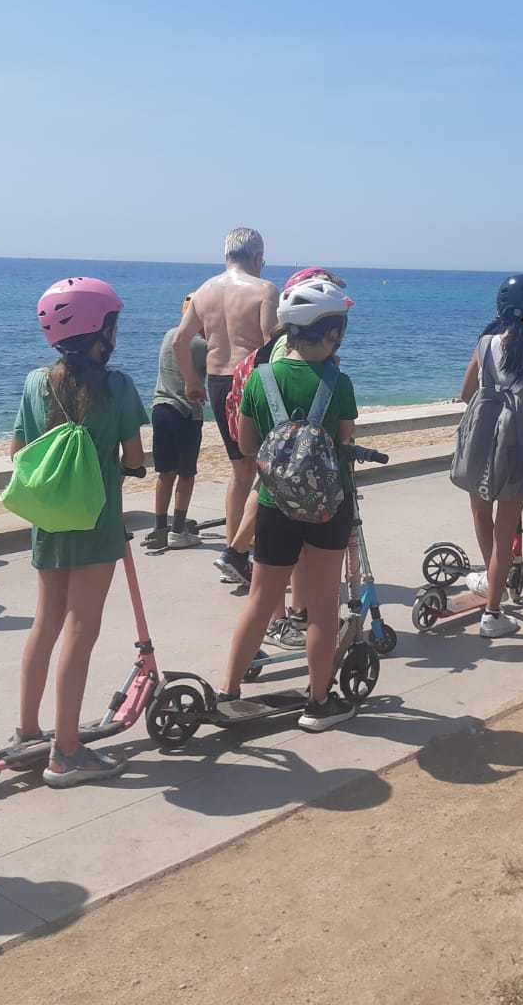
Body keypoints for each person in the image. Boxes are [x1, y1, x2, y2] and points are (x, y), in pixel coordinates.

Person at [12, 277, 147, 786]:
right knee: (80, 629)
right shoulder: (118, 387)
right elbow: (133, 456)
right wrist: (122, 466)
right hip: (96, 521)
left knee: (45, 623)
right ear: (101, 330)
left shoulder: (35, 383)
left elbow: (18, 451)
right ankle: (66, 752)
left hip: (49, 521)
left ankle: (28, 731)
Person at [222, 278, 361, 732]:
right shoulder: (339, 383)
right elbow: (345, 443)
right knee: (322, 605)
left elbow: (247, 445)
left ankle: (229, 691)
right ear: (331, 332)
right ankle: (318, 703)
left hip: (273, 503)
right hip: (329, 506)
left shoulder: (261, 378)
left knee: (261, 599)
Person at [453, 275, 523, 638]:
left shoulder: (484, 344)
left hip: (480, 442)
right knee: (506, 531)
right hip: (518, 447)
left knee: (481, 514)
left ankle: (491, 578)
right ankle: (493, 612)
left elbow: (466, 393)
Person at [175, 229, 278, 587]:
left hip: (218, 383)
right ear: (257, 257)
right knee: (269, 467)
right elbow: (270, 340)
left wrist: (191, 381)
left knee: (240, 470)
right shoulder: (264, 290)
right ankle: (245, 550)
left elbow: (180, 340)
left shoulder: (203, 291)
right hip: (252, 381)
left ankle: (235, 556)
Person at [145, 296, 209, 553]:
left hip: (160, 408)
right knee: (186, 474)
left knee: (165, 473)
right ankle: (178, 530)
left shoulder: (169, 335)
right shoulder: (202, 345)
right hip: (185, 413)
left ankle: (160, 527)